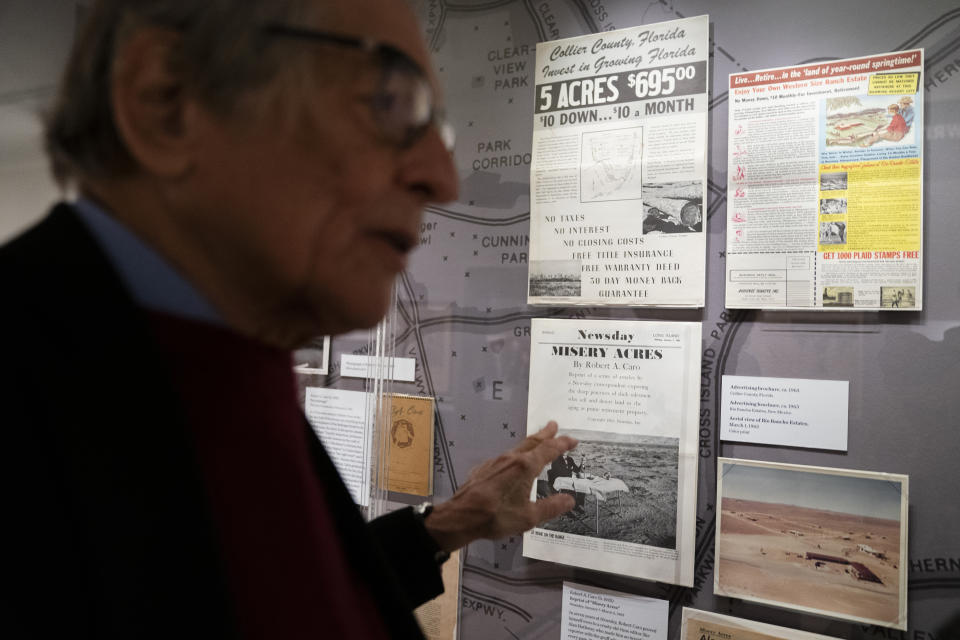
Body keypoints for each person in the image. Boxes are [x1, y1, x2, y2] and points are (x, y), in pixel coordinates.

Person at [0, 1, 578, 638]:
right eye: (388, 101)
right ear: (165, 101)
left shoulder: (229, 367)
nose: (441, 179)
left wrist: (444, 527)